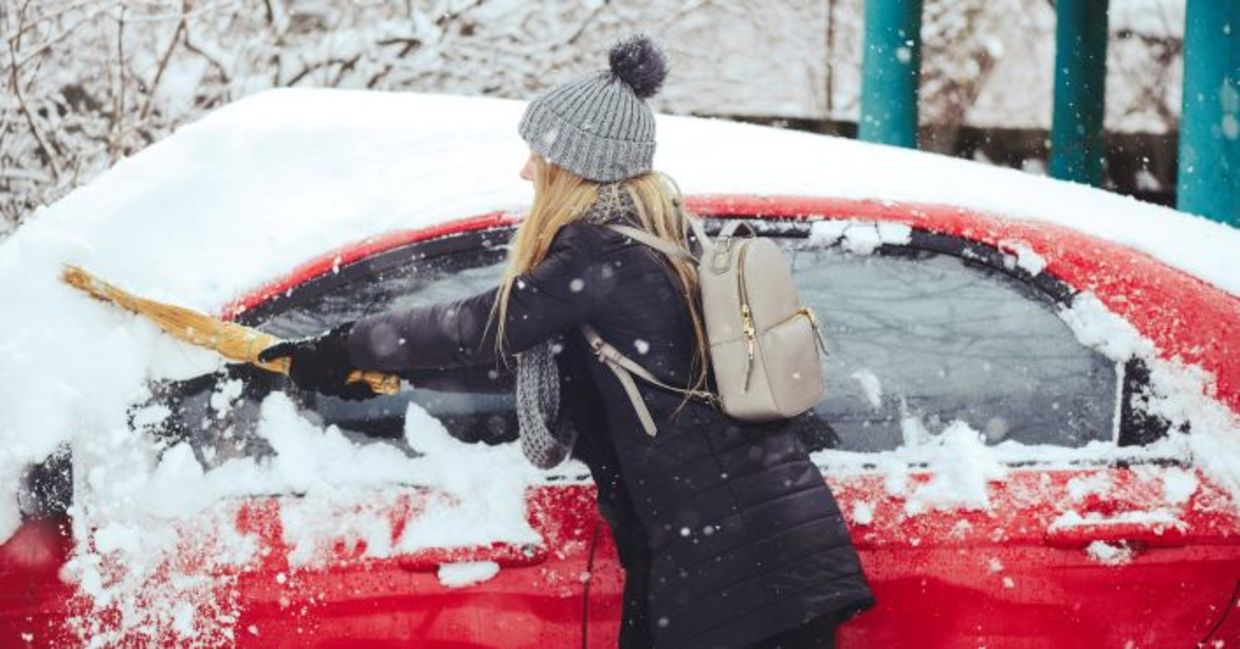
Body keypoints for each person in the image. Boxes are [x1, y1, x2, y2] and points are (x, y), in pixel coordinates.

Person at [260, 34, 874, 649]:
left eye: (538, 154)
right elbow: (531, 360)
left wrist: (344, 345)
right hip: (746, 545)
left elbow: (477, 326)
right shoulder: (658, 239)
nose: (526, 170)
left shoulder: (601, 253)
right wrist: (385, 374)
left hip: (735, 565)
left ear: (575, 166)